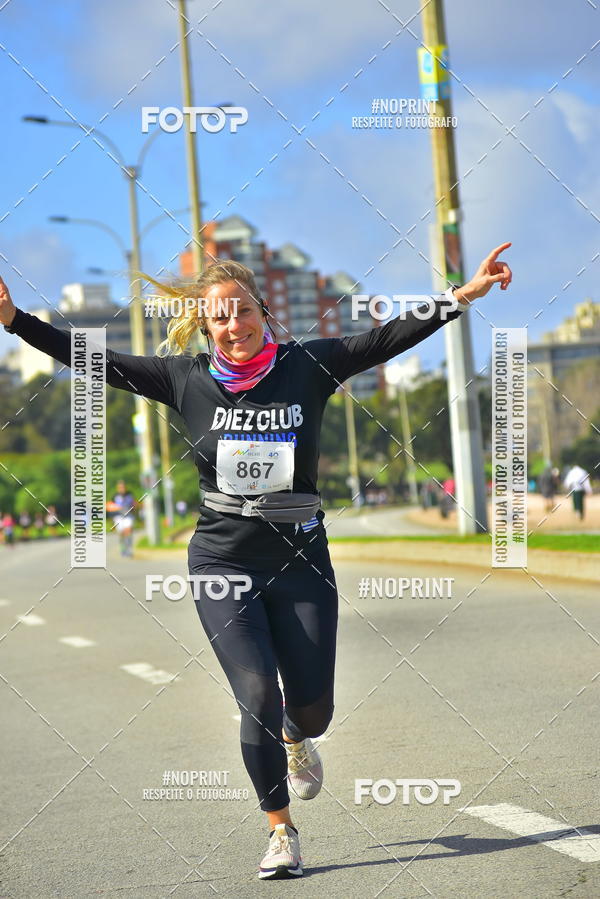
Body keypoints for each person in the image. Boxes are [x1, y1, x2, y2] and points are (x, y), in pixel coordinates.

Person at [0, 242, 512, 879]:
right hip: (222, 562)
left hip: (301, 560)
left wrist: (461, 294)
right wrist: (17, 321)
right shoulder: (183, 378)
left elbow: (386, 338)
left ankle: (300, 741)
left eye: (242, 311)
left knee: (313, 710)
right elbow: (95, 359)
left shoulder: (307, 367)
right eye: (219, 317)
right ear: (205, 324)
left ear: (263, 314)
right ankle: (280, 832)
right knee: (255, 695)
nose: (233, 326)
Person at [106, 480, 137, 557]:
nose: (121, 489)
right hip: (118, 517)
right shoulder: (115, 496)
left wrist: (135, 507)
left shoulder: (130, 495)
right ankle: (123, 548)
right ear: (118, 488)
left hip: (128, 516)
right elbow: (109, 506)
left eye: (123, 487)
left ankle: (129, 549)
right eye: (120, 487)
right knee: (122, 533)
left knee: (128, 530)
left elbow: (135, 504)